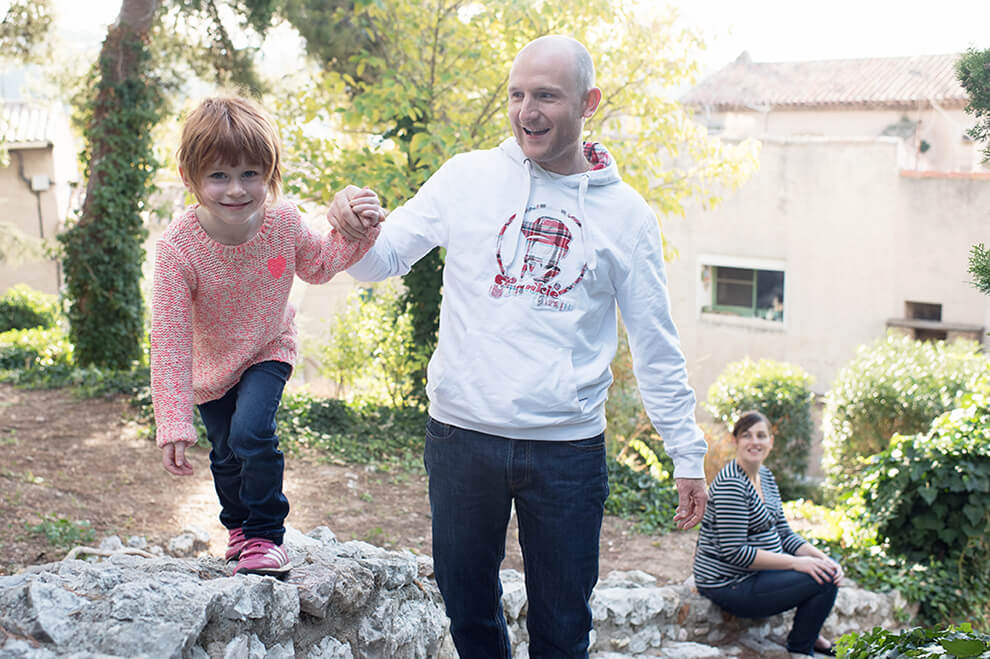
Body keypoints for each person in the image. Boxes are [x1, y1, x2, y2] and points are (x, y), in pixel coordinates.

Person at [328, 35, 708, 658]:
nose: (527, 111)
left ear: (589, 102)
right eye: (517, 95)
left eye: (547, 97)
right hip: (461, 437)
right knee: (466, 606)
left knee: (562, 627)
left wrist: (685, 453)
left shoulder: (627, 216)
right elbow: (381, 260)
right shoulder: (467, 177)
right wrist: (350, 223)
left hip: (566, 451)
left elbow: (654, 343)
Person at [150, 96, 381, 576]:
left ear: (270, 173)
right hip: (211, 366)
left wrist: (358, 229)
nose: (236, 189)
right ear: (190, 178)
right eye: (218, 176)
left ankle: (265, 536)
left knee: (251, 432)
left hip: (268, 346)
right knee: (225, 451)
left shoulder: (282, 223)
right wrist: (173, 421)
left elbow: (319, 265)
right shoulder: (178, 248)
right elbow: (170, 338)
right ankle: (237, 528)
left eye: (250, 174)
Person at [693, 411, 842, 657]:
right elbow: (735, 552)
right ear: (735, 441)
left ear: (770, 442)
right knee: (822, 578)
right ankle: (801, 648)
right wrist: (797, 563)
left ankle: (811, 637)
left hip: (760, 575)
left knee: (828, 569)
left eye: (761, 435)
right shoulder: (732, 484)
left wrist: (823, 559)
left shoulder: (767, 478)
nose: (755, 442)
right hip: (730, 583)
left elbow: (783, 532)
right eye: (746, 435)